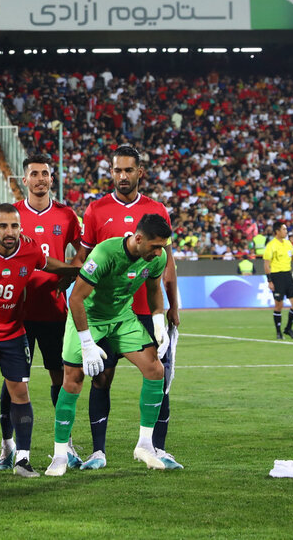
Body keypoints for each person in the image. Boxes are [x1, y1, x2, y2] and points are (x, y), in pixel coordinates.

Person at [72, 144, 178, 471]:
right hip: (105, 311)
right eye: (117, 170)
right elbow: (84, 258)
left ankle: (156, 448)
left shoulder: (157, 209)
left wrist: (173, 307)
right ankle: (98, 452)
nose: (122, 176)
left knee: (157, 375)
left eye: (128, 170)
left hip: (146, 308)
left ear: (139, 172)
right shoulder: (95, 211)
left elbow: (166, 261)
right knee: (101, 378)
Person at [46, 213, 174, 477]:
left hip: (122, 317)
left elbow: (153, 290)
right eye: (155, 246)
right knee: (73, 380)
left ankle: (145, 445)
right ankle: (60, 455)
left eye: (163, 246)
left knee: (155, 370)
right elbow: (76, 300)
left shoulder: (157, 258)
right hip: (88, 317)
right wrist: (87, 343)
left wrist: (159, 323)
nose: (160, 252)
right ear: (138, 238)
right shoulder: (104, 253)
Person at [0, 204, 73, 479]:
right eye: (3, 226)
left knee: (21, 392)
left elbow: (46, 262)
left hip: (12, 333)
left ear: (21, 228)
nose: (10, 232)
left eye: (14, 226)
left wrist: (70, 270)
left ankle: (23, 459)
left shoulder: (29, 249)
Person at [2, 152, 82, 470]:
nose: (40, 179)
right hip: (17, 312)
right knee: (14, 380)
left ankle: (66, 444)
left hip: (53, 311)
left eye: (45, 174)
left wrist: (69, 274)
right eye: (34, 174)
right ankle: (8, 446)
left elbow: (84, 249)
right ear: (24, 180)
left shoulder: (66, 215)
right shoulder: (12, 215)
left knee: (59, 376)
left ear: (51, 178)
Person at [263, 222, 293, 341]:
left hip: (288, 276)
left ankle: (288, 328)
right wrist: (270, 281)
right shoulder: (271, 245)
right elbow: (266, 265)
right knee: (279, 305)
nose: (286, 231)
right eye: (284, 229)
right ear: (277, 231)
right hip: (277, 276)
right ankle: (279, 332)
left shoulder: (288, 243)